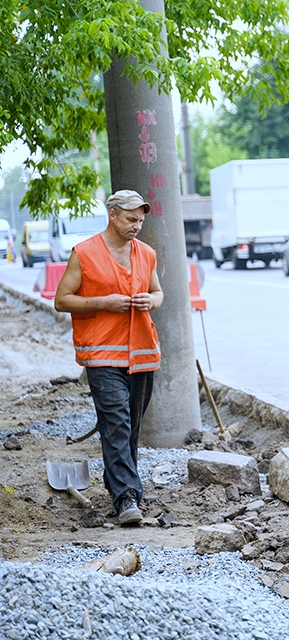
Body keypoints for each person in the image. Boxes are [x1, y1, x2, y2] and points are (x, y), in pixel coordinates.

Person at [53, 190, 163, 526]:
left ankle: (120, 485)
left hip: (142, 353)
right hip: (102, 354)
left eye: (141, 220)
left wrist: (152, 301)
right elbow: (62, 300)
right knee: (116, 424)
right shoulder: (84, 253)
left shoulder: (146, 254)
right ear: (112, 215)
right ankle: (127, 497)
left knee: (130, 428)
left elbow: (158, 292)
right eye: (131, 219)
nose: (137, 225)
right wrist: (103, 302)